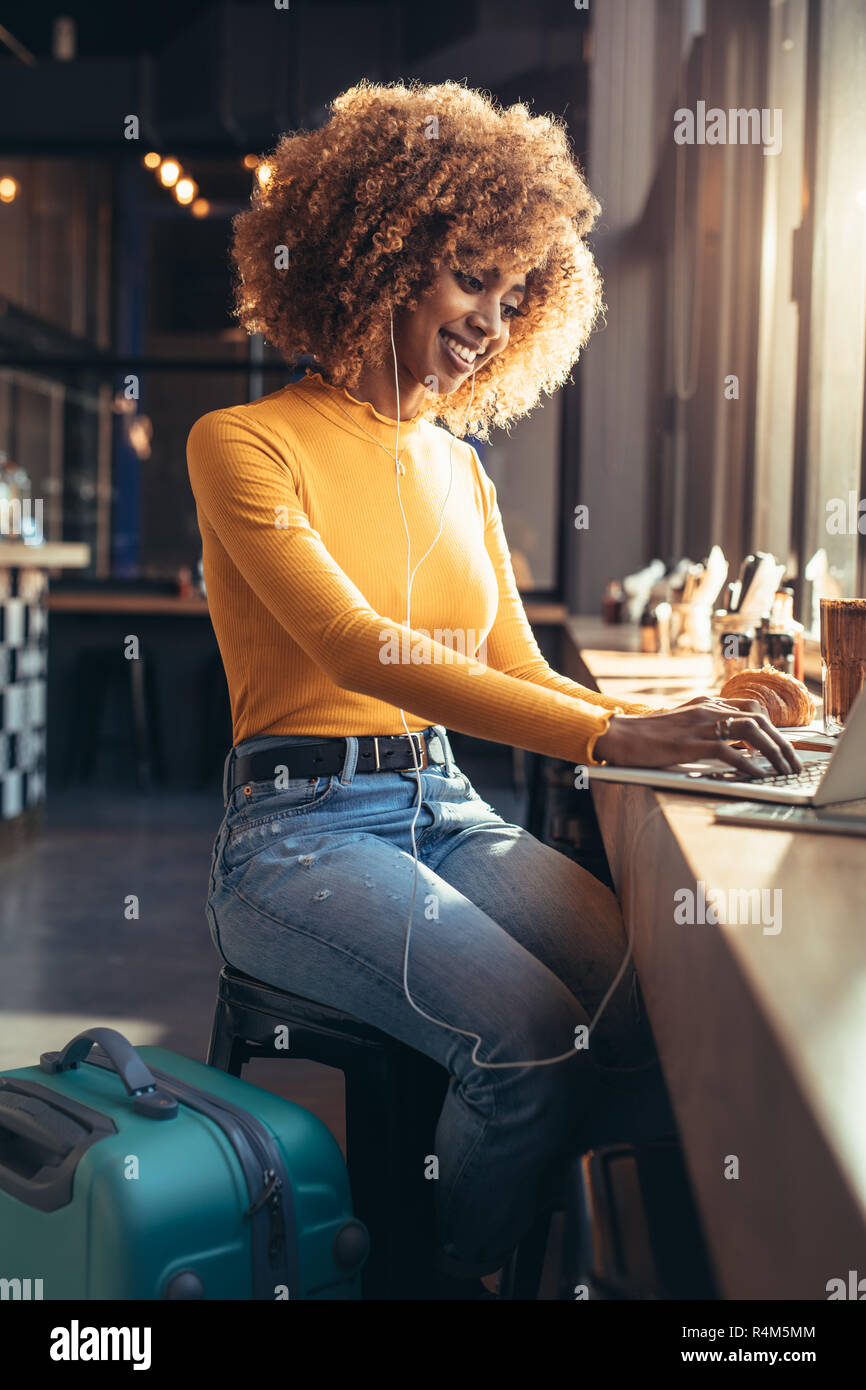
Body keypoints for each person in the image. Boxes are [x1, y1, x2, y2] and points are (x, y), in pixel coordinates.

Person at [187, 80, 801, 1299]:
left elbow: (512, 666)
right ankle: (442, 1278)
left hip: (447, 809)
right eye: (470, 278)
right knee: (524, 1047)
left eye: (514, 297)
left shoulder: (461, 471)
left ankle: (535, 1249)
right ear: (384, 259)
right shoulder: (240, 441)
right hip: (298, 837)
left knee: (646, 1016)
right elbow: (364, 650)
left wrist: (690, 707)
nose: (488, 320)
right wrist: (623, 728)